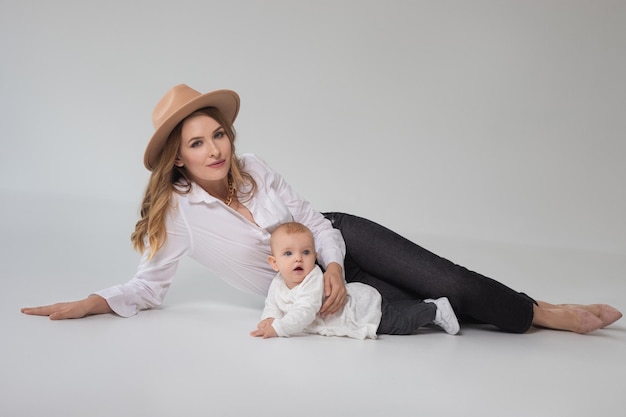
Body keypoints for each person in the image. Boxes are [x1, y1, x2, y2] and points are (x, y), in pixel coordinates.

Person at [21, 84, 622, 335]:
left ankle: (543, 312)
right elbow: (147, 286)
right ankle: (524, 313)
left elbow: (311, 215)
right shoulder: (177, 217)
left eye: (217, 135)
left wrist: (334, 263)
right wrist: (91, 303)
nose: (213, 150)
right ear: (178, 160)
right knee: (426, 313)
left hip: (339, 240)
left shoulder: (253, 164)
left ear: (229, 135)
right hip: (306, 287)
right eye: (195, 144)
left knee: (449, 281)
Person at [250, 222, 459, 339]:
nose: (298, 258)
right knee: (395, 311)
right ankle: (421, 306)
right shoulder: (278, 282)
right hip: (357, 302)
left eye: (305, 252)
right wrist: (268, 318)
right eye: (288, 254)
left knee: (398, 324)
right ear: (274, 262)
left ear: (314, 257)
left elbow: (305, 310)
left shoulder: (312, 278)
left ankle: (434, 309)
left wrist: (279, 328)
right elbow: (272, 303)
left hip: (360, 309)